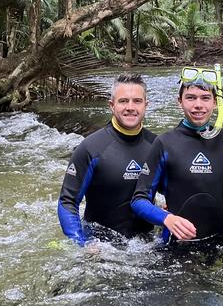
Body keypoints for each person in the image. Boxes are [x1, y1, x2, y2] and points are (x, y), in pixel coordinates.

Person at [131, 67, 223, 243]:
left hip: (218, 242)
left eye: (205, 98)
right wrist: (167, 218)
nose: (198, 105)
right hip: (175, 247)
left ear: (215, 102)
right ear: (179, 101)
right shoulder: (165, 143)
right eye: (191, 98)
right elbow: (139, 200)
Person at [57, 73, 155, 246]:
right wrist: (82, 244)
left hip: (146, 244)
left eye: (137, 101)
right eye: (123, 101)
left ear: (146, 105)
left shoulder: (157, 146)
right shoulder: (90, 148)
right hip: (102, 245)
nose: (130, 107)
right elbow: (68, 202)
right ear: (112, 105)